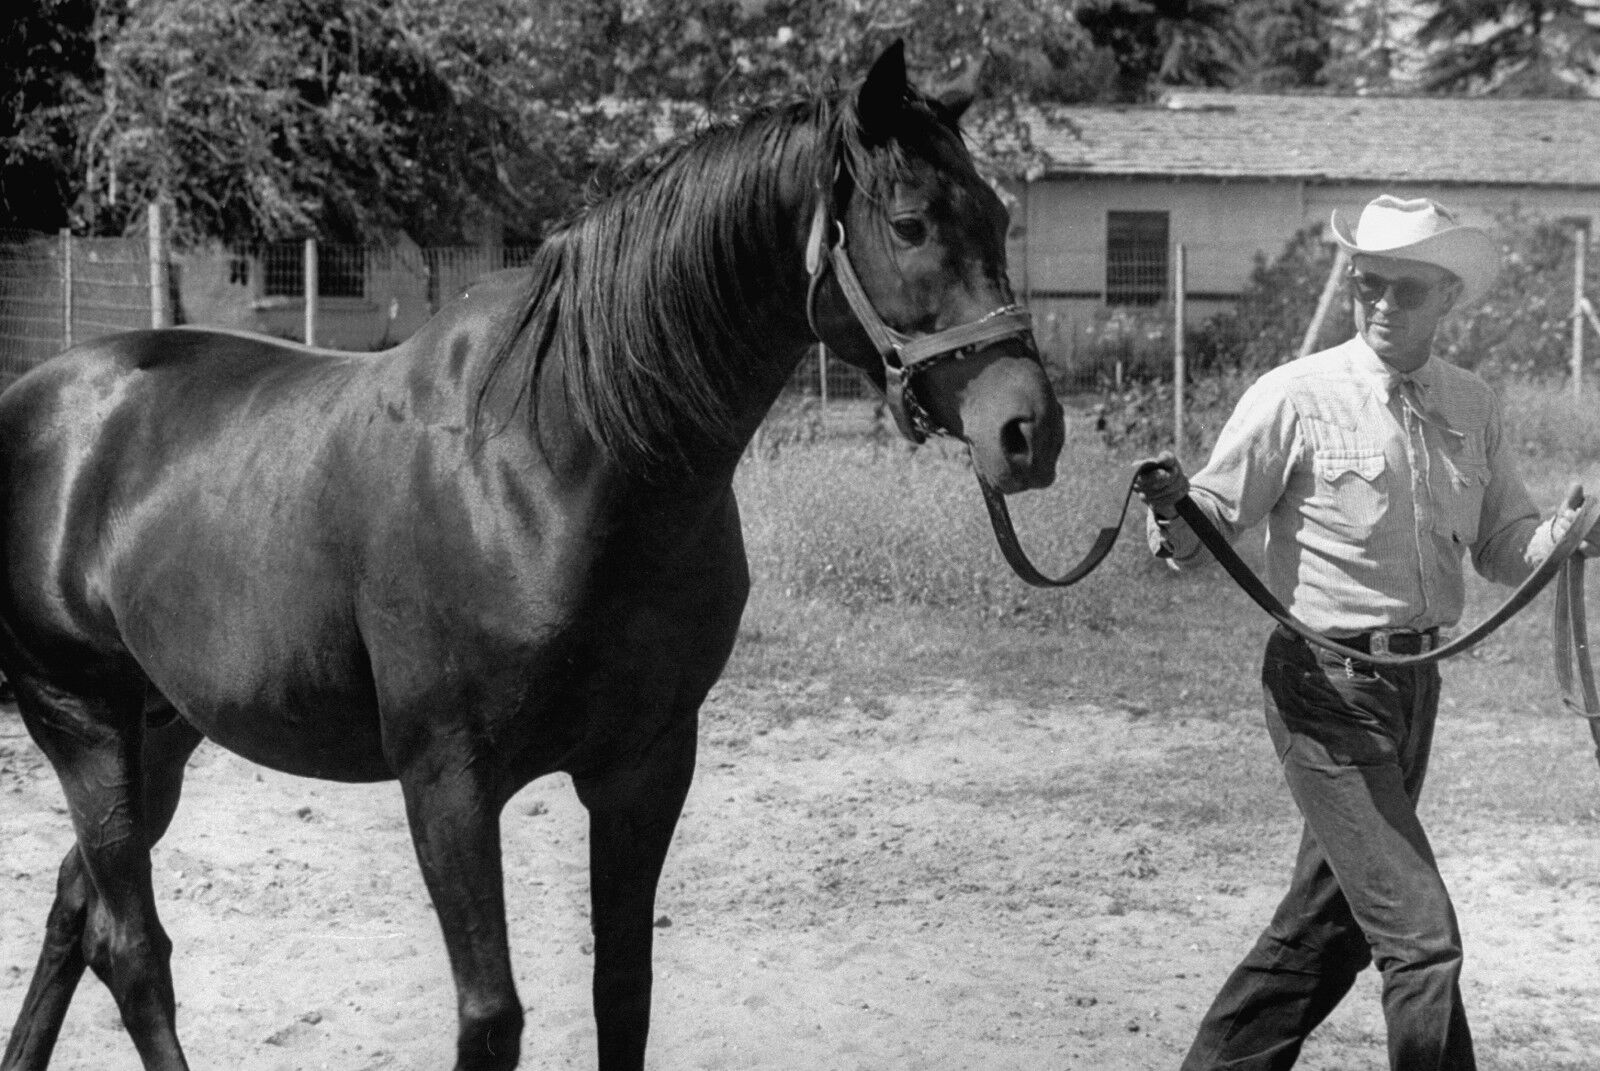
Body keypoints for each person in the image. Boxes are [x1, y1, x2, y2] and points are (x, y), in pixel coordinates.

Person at [1132, 194, 1596, 1071]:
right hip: (1322, 689)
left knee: (1326, 931)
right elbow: (1207, 528)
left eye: (1406, 290)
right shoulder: (1295, 395)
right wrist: (1175, 503)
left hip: (1414, 691)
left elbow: (1504, 543)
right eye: (1367, 283)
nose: (1383, 302)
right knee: (1422, 938)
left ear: (1446, 299)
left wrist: (1567, 536)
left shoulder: (1472, 401)